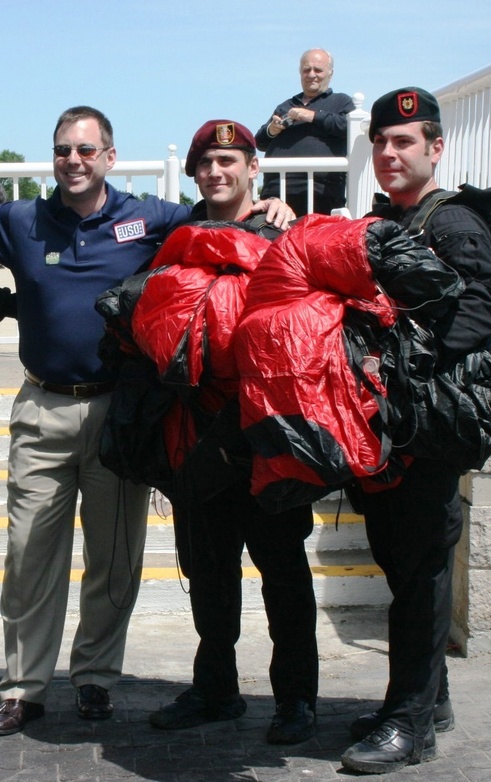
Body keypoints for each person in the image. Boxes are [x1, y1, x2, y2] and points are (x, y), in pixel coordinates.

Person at [0, 105, 293, 737]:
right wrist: (0, 304)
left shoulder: (149, 218)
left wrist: (273, 205)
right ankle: (23, 687)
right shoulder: (20, 219)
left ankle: (95, 679)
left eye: (86, 150)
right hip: (42, 406)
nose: (74, 161)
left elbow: (216, 213)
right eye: (63, 150)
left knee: (115, 557)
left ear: (109, 157)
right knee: (30, 554)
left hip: (120, 413)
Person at [339, 87, 491, 775]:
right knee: (405, 566)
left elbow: (481, 313)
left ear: (436, 148)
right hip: (394, 427)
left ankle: (409, 724)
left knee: (421, 566)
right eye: (380, 142)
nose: (388, 152)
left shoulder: (452, 221)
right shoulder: (388, 220)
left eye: (403, 142)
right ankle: (426, 700)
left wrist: (399, 359)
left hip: (428, 430)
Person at [146, 120, 318, 743]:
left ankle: (297, 699)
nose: (216, 172)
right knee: (209, 571)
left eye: (228, 160)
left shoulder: (284, 232)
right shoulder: (178, 232)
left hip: (267, 431)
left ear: (253, 166)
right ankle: (216, 689)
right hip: (198, 432)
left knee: (283, 570)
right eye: (205, 163)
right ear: (193, 173)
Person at [254, 49, 354, 216]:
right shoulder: (285, 105)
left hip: (321, 193)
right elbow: (260, 142)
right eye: (306, 70)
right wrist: (272, 129)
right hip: (277, 193)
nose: (311, 74)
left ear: (330, 73)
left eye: (318, 70)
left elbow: (348, 129)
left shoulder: (341, 102)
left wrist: (314, 116)